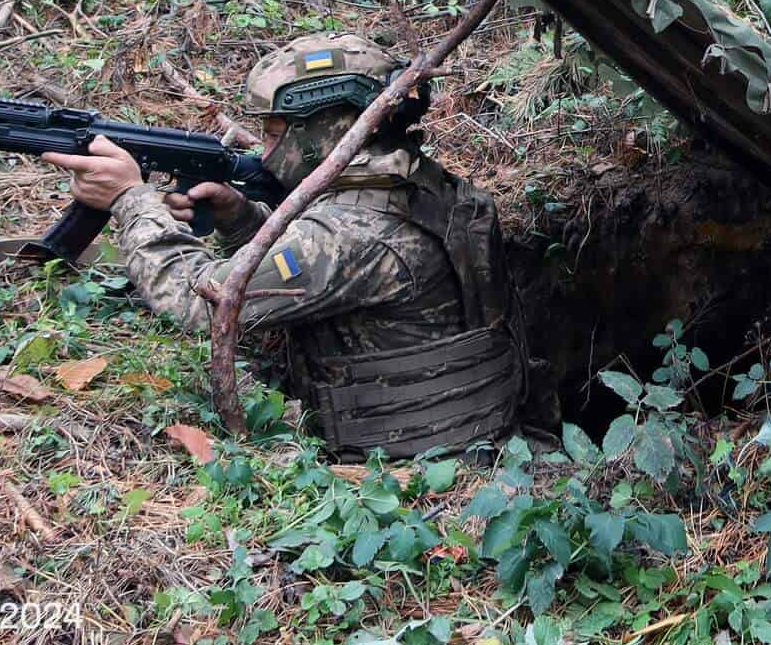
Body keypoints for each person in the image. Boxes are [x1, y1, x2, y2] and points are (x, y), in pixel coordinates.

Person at [43, 32, 524, 458]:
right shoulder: (421, 186)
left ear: (325, 133)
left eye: (275, 134)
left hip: (404, 465)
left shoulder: (349, 235)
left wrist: (131, 199)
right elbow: (323, 274)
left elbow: (199, 305)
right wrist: (242, 220)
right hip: (461, 429)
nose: (263, 152)